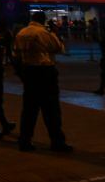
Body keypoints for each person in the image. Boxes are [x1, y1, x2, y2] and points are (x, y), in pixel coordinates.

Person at [14, 10, 72, 152]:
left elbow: (16, 54)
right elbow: (58, 48)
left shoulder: (21, 33)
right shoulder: (43, 33)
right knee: (51, 110)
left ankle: (25, 140)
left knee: (29, 110)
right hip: (45, 72)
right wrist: (54, 33)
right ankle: (57, 141)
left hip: (29, 71)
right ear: (43, 20)